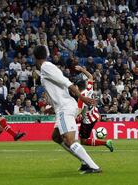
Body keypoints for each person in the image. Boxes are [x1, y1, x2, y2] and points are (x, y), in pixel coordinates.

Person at [34, 45, 101, 174]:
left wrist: (82, 96)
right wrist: (52, 108)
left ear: (35, 57)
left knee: (70, 140)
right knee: (56, 137)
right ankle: (84, 162)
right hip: (61, 107)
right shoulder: (48, 68)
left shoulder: (46, 67)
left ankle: (93, 166)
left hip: (65, 107)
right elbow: (59, 89)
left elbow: (67, 83)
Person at [74, 65, 114, 152]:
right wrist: (82, 69)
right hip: (95, 115)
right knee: (83, 140)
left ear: (77, 87)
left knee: (83, 141)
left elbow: (79, 111)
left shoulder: (81, 97)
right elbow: (91, 77)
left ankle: (106, 142)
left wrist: (71, 118)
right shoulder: (89, 89)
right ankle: (105, 143)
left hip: (87, 121)